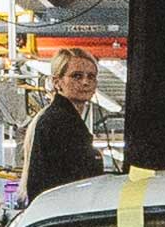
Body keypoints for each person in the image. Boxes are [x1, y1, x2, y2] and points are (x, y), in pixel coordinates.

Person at [22, 48, 104, 199]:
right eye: (76, 76)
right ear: (57, 82)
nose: (85, 82)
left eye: (91, 76)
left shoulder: (58, 118)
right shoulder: (60, 122)